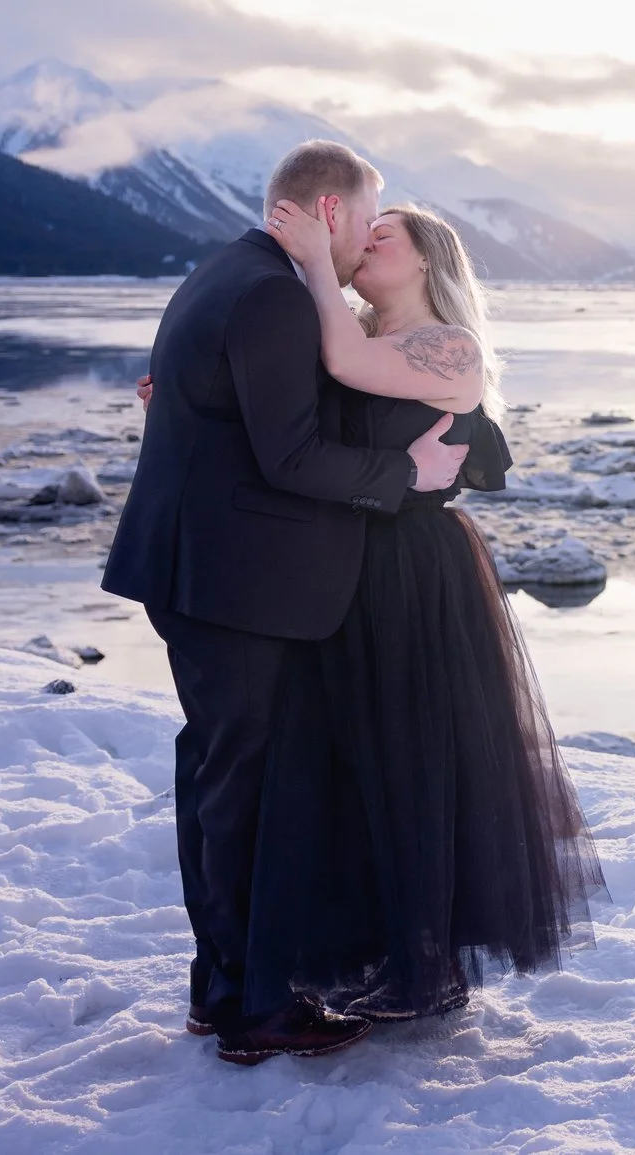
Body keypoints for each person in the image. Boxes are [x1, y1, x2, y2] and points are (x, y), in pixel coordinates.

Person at [103, 140, 468, 1066]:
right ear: (331, 211)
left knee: (221, 777)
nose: (363, 246)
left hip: (210, 570)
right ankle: (253, 1008)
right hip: (231, 580)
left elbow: (252, 405)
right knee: (242, 791)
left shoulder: (236, 270)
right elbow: (291, 456)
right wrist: (405, 471)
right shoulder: (271, 291)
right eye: (368, 215)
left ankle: (223, 988)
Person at [258, 196, 603, 1022]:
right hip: (349, 561)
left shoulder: (450, 345)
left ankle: (428, 959)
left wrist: (313, 259)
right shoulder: (357, 331)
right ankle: (378, 946)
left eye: (381, 237)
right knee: (352, 754)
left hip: (415, 568)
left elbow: (341, 368)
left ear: (423, 261)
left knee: (417, 752)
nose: (362, 245)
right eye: (360, 236)